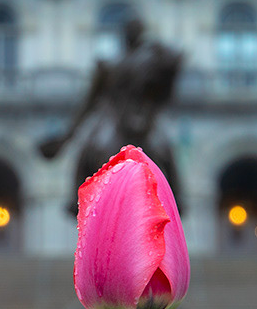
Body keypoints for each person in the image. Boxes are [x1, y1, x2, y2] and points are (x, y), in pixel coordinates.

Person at [38, 17, 184, 209]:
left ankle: (177, 199)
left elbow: (171, 71)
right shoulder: (108, 65)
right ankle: (76, 199)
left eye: (137, 30)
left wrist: (161, 51)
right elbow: (88, 103)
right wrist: (68, 136)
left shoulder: (150, 62)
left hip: (142, 114)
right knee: (92, 146)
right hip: (111, 113)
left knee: (163, 147)